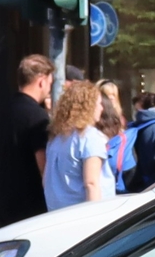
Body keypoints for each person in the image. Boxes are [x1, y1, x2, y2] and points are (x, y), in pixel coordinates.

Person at [43, 79, 111, 209]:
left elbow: (46, 180)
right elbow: (91, 183)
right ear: (88, 106)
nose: (102, 108)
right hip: (83, 216)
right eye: (98, 104)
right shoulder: (90, 137)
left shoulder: (55, 138)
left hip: (56, 214)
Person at [1, 54, 54, 222]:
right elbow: (44, 167)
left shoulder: (5, 110)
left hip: (3, 203)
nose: (49, 90)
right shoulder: (37, 117)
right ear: (41, 81)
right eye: (50, 84)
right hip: (30, 207)